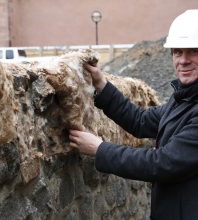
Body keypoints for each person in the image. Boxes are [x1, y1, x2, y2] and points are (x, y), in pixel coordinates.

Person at [69, 9, 198, 220]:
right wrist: (101, 85)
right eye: (177, 52)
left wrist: (100, 149)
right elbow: (141, 121)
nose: (183, 60)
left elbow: (162, 163)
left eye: (193, 51)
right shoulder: (183, 98)